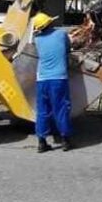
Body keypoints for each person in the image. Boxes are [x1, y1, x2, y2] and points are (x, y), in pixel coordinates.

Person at [32, 12, 73, 153]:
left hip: (42, 80)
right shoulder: (61, 34)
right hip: (58, 79)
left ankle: (41, 143)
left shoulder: (37, 39)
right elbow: (68, 49)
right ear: (50, 23)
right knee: (61, 109)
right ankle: (65, 141)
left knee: (43, 110)